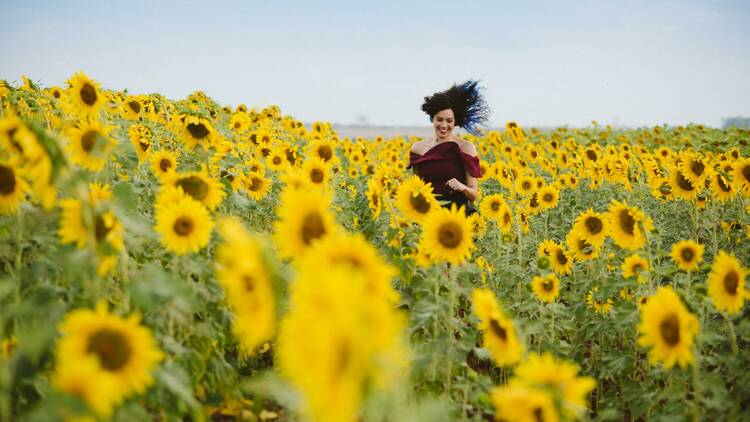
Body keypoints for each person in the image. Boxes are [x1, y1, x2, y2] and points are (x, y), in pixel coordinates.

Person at [408, 80, 490, 215]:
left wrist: (462, 187)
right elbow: (417, 188)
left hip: (458, 218)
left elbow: (473, 194)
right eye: (439, 119)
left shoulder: (466, 148)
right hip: (429, 217)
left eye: (449, 121)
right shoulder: (418, 149)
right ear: (432, 119)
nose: (444, 125)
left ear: (455, 121)